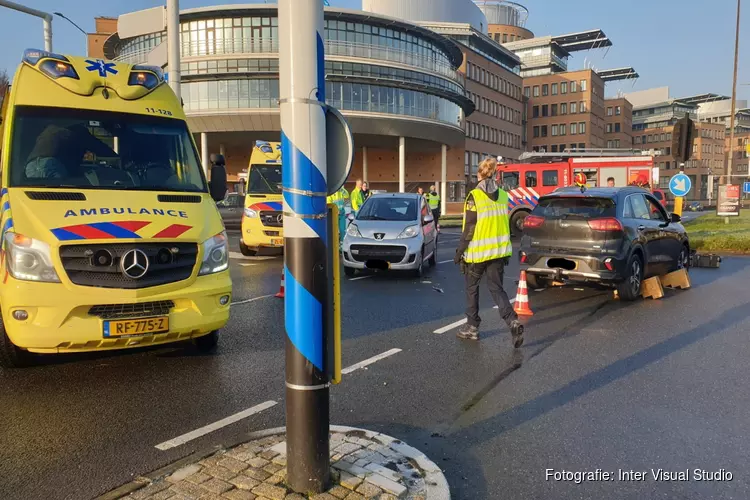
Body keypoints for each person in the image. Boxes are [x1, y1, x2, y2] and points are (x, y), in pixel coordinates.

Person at [454, 157, 524, 346]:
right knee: (496, 288)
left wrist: (460, 251)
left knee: (471, 288)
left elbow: (469, 228)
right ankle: (513, 321)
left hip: (478, 254)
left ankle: (472, 327)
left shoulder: (474, 196)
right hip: (498, 252)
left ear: (479, 174)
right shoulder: (503, 195)